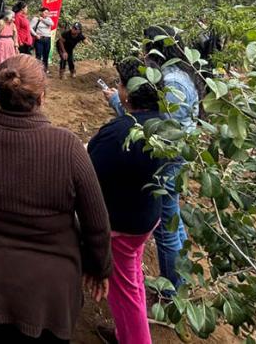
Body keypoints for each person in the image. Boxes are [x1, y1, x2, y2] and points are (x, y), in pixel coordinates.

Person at [0, 54, 112, 344]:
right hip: (50, 287)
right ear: (42, 96)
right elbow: (97, 223)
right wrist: (100, 267)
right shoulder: (67, 146)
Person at [103, 25, 202, 295]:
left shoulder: (172, 82)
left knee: (166, 227)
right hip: (175, 155)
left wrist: (117, 103)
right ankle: (180, 280)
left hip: (167, 158)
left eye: (146, 46)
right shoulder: (180, 75)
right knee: (173, 218)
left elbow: (158, 127)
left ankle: (170, 291)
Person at [89, 57, 167, 344]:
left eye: (121, 84)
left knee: (123, 290)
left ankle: (134, 338)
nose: (118, 88)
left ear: (130, 92)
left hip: (122, 223)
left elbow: (89, 173)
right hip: (145, 215)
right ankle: (125, 333)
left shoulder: (120, 133)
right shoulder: (164, 125)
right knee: (132, 277)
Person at [30, 7, 54, 72]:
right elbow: (30, 27)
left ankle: (45, 69)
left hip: (47, 39)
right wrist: (35, 35)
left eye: (48, 13)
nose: (46, 14)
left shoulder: (48, 19)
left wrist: (43, 20)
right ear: (41, 12)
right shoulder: (36, 19)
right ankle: (37, 70)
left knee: (46, 55)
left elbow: (52, 24)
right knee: (38, 55)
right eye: (45, 12)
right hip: (39, 39)